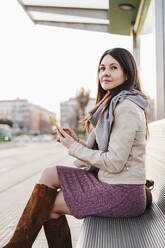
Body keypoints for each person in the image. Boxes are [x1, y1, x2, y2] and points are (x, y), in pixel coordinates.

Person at [3, 48, 150, 248]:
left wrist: (74, 147)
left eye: (113, 67)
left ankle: (17, 245)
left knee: (47, 207)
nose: (105, 73)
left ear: (127, 73)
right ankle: (17, 244)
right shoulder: (111, 104)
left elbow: (114, 163)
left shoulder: (126, 108)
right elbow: (106, 153)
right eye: (102, 68)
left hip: (123, 192)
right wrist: (76, 143)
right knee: (49, 173)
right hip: (111, 181)